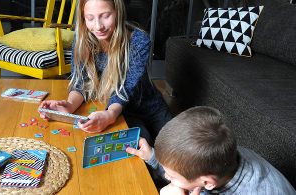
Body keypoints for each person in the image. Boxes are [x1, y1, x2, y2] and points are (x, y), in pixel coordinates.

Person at [39, 0, 171, 146]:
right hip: (123, 113)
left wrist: (110, 115)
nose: (98, 26)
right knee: (142, 150)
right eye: (90, 18)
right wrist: (69, 105)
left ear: (118, 12)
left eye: (105, 16)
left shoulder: (139, 41)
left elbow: (126, 88)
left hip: (150, 108)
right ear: (83, 18)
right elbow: (81, 82)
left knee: (178, 152)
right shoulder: (82, 39)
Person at [126, 106, 296, 195]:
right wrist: (152, 156)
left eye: (172, 176)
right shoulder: (221, 157)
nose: (166, 176)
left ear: (207, 182)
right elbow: (186, 168)